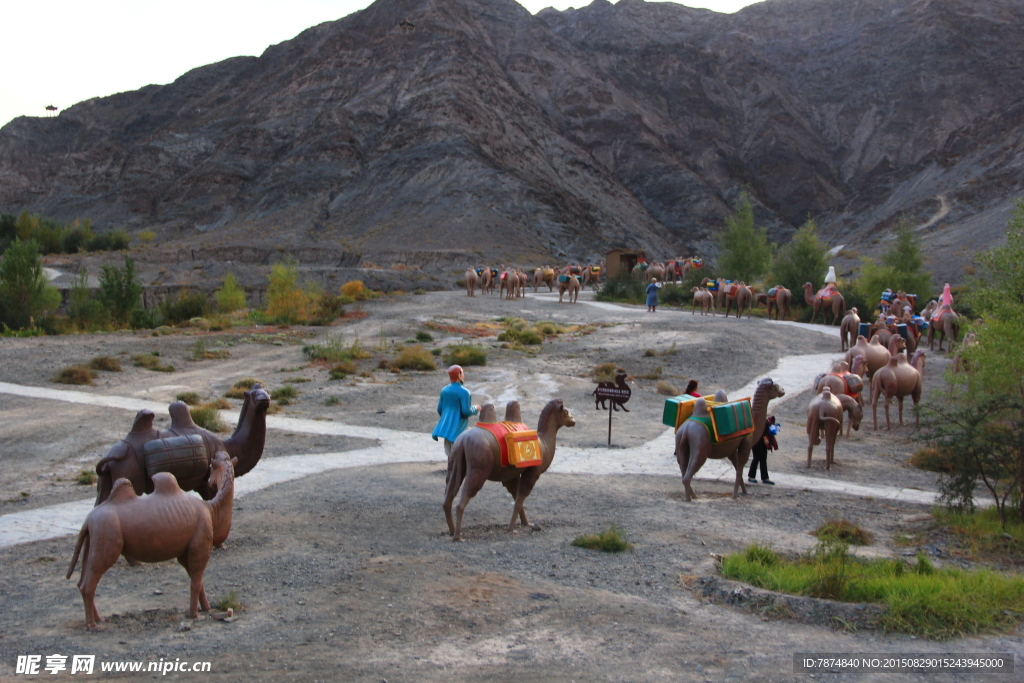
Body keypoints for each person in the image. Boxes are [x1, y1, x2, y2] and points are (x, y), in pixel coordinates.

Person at [431, 365, 480, 457]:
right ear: (459, 375)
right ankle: (458, 470)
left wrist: (448, 417)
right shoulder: (465, 392)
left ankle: (450, 469)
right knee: (459, 453)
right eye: (462, 373)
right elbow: (466, 411)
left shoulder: (444, 390)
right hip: (460, 427)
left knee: (449, 452)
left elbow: (440, 409)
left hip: (448, 427)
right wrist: (475, 408)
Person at [748, 415, 779, 485]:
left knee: (763, 459)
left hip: (762, 441)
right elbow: (758, 428)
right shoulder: (757, 418)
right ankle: (751, 476)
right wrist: (765, 438)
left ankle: (764, 477)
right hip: (757, 440)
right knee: (756, 458)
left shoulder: (763, 418)